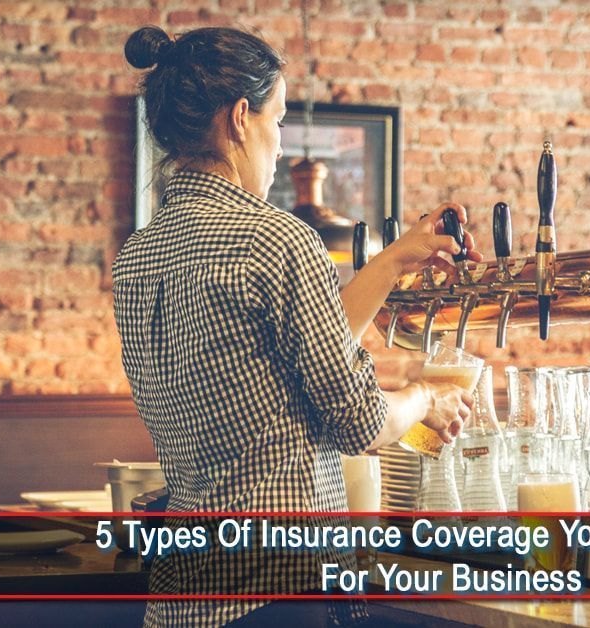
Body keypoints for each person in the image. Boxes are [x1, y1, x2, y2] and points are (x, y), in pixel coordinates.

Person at [112, 25, 479, 627]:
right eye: (277, 120)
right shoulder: (277, 237)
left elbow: (285, 352)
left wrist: (390, 262)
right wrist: (424, 396)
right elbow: (359, 423)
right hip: (278, 589)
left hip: (183, 595)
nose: (280, 146)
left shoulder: (139, 254)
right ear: (238, 119)